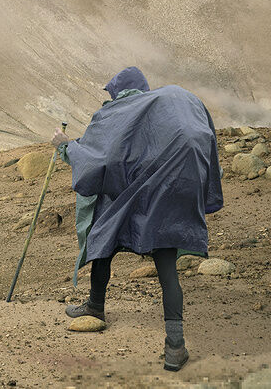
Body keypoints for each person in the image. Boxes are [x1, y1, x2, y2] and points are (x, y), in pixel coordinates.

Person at [51, 66, 223, 371]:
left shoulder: (116, 113)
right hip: (172, 194)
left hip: (134, 199)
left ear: (118, 91)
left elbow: (97, 161)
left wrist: (65, 145)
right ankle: (175, 348)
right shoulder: (169, 104)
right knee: (167, 269)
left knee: (103, 238)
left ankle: (95, 306)